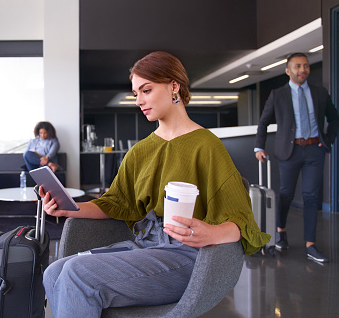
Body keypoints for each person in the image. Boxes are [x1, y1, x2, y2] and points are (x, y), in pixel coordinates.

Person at [40, 51, 270, 318]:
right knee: (54, 272)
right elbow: (116, 203)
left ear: (174, 86)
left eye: (146, 90)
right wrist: (68, 208)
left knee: (77, 274)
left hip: (187, 256)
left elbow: (242, 221)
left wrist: (210, 234)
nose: (138, 101)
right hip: (145, 246)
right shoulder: (140, 151)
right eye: (136, 93)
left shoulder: (206, 146)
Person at [254, 52, 339, 263]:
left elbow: (334, 117)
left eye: (306, 66)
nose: (303, 70)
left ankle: (311, 245)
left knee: (311, 196)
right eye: (298, 66)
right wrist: (259, 147)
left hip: (314, 150)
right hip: (289, 151)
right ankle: (281, 231)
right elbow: (263, 122)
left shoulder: (320, 93)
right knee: (286, 194)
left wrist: (327, 140)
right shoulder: (278, 94)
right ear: (288, 70)